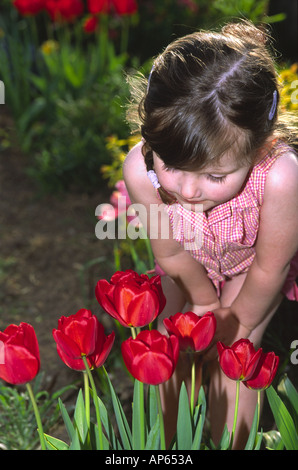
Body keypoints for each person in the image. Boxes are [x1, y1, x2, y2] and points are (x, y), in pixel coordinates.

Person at [122, 20, 298, 449]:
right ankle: (166, 446)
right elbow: (171, 256)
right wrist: (202, 302)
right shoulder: (142, 172)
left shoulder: (280, 177)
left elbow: (270, 267)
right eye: (173, 166)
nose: (187, 190)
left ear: (259, 147)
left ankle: (227, 442)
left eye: (215, 175)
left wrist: (235, 321)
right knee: (166, 345)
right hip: (189, 262)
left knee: (234, 359)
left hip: (249, 266)